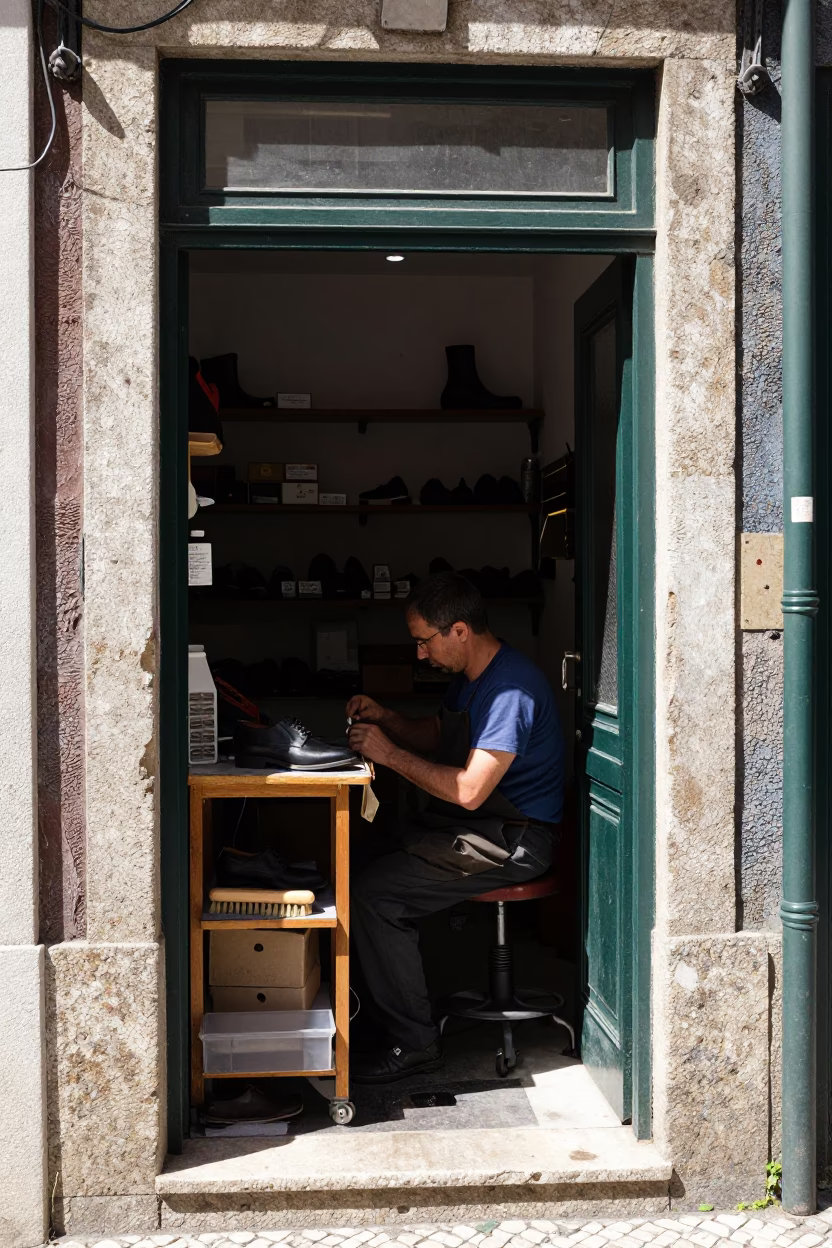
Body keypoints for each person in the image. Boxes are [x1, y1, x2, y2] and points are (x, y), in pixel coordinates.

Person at [346, 571, 565, 1084]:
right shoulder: (472, 678)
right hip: (480, 826)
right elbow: (440, 734)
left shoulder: (509, 691)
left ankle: (415, 1043)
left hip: (514, 839)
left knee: (375, 895)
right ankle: (373, 1010)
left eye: (425, 641)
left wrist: (388, 754)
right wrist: (388, 719)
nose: (420, 653)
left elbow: (469, 789)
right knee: (363, 853)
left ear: (460, 631)